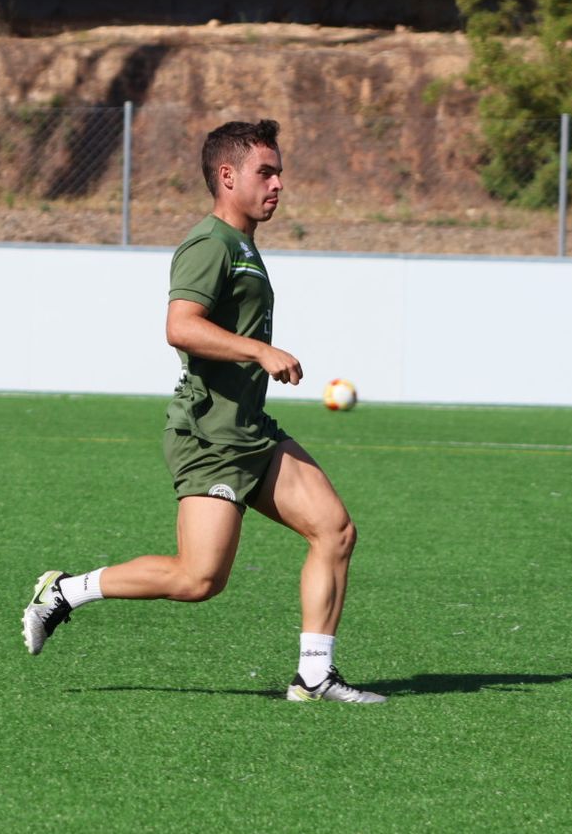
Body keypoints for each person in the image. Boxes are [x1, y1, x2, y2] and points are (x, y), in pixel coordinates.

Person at [20, 119, 383, 704]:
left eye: (279, 172)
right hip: (209, 435)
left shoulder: (244, 246)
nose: (278, 184)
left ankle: (315, 675)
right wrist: (260, 350)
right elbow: (180, 327)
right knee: (199, 580)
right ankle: (64, 592)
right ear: (226, 175)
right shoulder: (209, 244)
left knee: (335, 530)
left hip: (251, 432)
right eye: (266, 172)